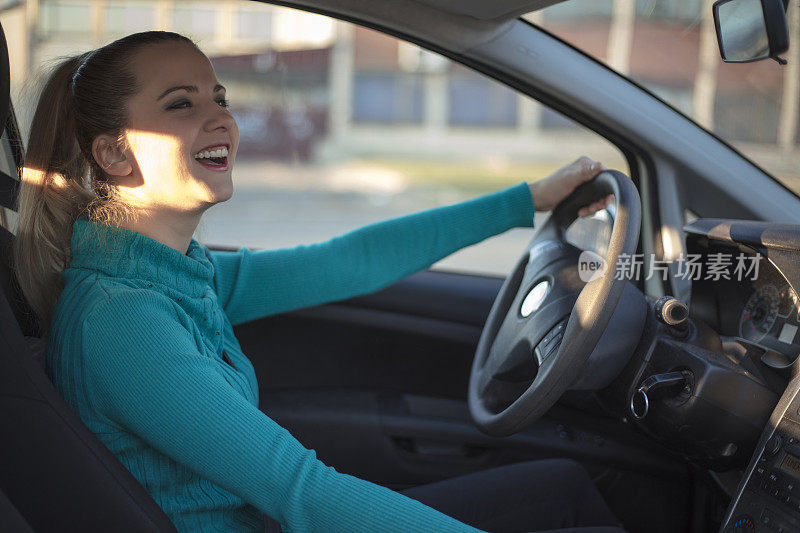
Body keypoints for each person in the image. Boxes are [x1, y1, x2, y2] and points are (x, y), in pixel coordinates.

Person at [13, 31, 624, 533]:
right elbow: (301, 492)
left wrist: (527, 200)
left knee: (562, 485)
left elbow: (345, 261)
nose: (221, 116)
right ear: (115, 154)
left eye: (218, 96)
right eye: (182, 103)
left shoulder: (176, 275)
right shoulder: (124, 321)